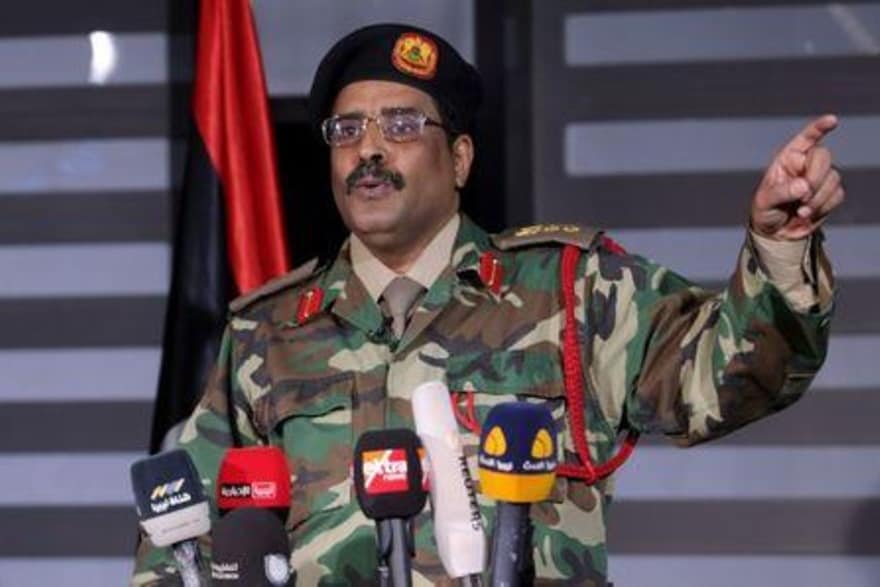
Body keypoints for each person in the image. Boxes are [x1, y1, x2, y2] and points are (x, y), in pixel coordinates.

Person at [132, 23, 842, 586]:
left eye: (400, 125)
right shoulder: (267, 331)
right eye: (347, 131)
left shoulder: (570, 290)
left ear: (461, 158)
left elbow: (730, 378)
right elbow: (180, 541)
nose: (368, 150)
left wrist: (778, 249)